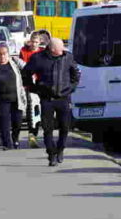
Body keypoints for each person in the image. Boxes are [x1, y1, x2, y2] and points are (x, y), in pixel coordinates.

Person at [22, 38, 80, 167]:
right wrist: (34, 88)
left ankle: (60, 149)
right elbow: (25, 73)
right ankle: (51, 154)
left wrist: (71, 87)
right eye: (60, 48)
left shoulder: (67, 57)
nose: (63, 50)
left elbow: (76, 74)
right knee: (47, 128)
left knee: (65, 127)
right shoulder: (38, 58)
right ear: (52, 49)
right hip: (46, 98)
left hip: (63, 98)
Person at [0, 44, 27, 150]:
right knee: (4, 122)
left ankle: (15, 138)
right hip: (1, 99)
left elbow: (27, 68)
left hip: (16, 97)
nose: (2, 56)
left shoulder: (15, 62)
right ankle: (7, 143)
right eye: (0, 54)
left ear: (8, 54)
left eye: (4, 54)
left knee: (17, 121)